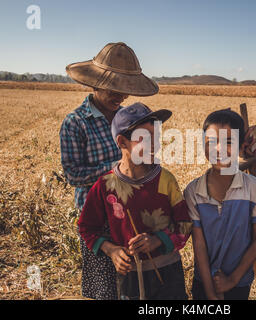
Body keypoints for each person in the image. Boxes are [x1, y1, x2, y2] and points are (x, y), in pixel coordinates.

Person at [59, 42, 159, 299]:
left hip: (130, 214)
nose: (120, 96)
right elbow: (73, 175)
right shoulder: (75, 122)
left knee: (134, 286)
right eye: (113, 88)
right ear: (94, 83)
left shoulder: (127, 119)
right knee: (104, 288)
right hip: (97, 219)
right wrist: (119, 168)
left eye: (124, 89)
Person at [78, 102, 193, 300]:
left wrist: (158, 240)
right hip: (129, 277)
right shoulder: (105, 186)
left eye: (156, 137)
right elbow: (86, 227)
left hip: (168, 273)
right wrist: (112, 250)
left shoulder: (166, 180)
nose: (155, 145)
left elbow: (185, 225)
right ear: (122, 142)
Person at [184, 109, 256, 300]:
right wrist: (210, 291)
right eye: (211, 142)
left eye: (228, 142)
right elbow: (198, 245)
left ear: (241, 147)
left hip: (239, 281)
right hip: (203, 281)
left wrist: (232, 280)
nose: (218, 149)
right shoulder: (193, 192)